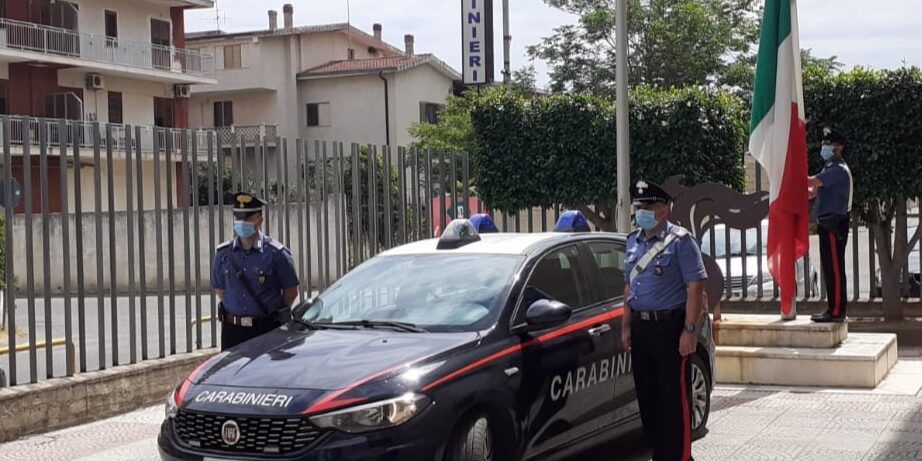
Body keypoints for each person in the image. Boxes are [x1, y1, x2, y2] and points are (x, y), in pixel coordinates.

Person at [621, 180, 707, 461]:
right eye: (639, 206)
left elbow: (695, 287)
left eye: (648, 206)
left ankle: (681, 457)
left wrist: (690, 330)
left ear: (664, 210)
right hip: (641, 328)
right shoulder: (632, 241)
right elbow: (629, 288)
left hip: (669, 328)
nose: (642, 211)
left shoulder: (681, 241)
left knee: (674, 401)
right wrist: (626, 325)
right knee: (649, 401)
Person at [212, 193, 300, 351]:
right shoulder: (223, 254)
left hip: (266, 329)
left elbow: (291, 291)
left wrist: (270, 314)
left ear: (260, 220)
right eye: (238, 218)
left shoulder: (276, 254)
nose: (242, 222)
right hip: (233, 331)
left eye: (247, 218)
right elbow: (221, 290)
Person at [808, 128, 853, 323]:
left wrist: (791, 176)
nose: (824, 148)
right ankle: (832, 308)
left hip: (834, 224)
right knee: (829, 267)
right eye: (824, 144)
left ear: (838, 148)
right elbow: (814, 190)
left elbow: (813, 181)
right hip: (827, 224)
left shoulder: (839, 169)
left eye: (828, 144)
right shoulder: (829, 168)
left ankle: (836, 311)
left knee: (834, 268)